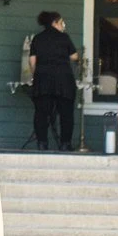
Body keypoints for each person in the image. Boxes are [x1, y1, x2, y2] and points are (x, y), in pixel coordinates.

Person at [28, 11, 81, 152]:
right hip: (63, 80)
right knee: (66, 113)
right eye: (61, 22)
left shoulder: (38, 39)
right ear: (55, 23)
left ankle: (42, 143)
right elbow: (74, 56)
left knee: (41, 113)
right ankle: (65, 144)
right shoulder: (64, 38)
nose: (63, 25)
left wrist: (37, 75)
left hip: (43, 79)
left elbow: (32, 61)